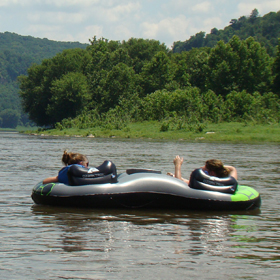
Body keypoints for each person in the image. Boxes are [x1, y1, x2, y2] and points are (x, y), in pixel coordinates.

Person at [168, 155, 238, 185]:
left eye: (204, 171)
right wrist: (219, 167)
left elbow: (179, 183)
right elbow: (233, 169)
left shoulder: (205, 183)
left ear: (212, 173)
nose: (202, 171)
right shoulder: (228, 182)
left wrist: (178, 165)